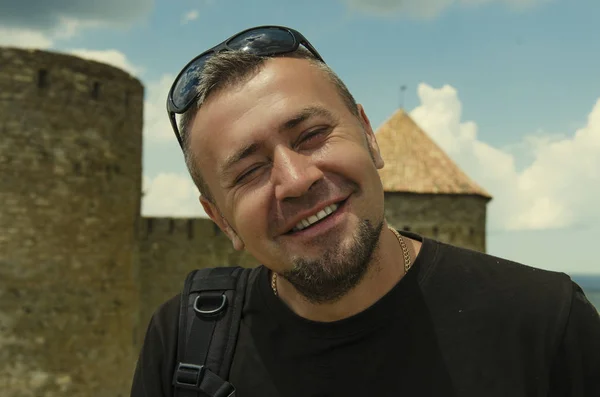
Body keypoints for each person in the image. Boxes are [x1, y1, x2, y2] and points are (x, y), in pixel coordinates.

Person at [130, 25, 600, 397]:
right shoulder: (183, 344)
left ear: (369, 137)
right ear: (221, 220)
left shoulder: (544, 322)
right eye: (249, 171)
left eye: (311, 134)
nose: (296, 180)